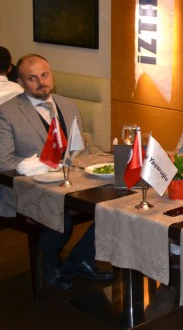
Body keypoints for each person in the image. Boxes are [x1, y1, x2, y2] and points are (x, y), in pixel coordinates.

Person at [0, 54, 112, 290]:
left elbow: (80, 150)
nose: (41, 82)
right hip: (28, 188)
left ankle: (80, 259)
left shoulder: (68, 105)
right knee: (61, 221)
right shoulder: (7, 112)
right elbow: (3, 162)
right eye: (32, 78)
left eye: (45, 75)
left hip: (73, 183)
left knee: (114, 208)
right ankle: (49, 263)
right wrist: (32, 165)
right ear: (20, 82)